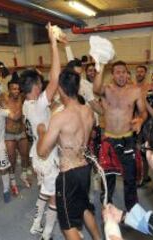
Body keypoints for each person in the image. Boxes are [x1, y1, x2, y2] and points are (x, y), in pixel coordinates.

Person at [37, 68, 101, 240]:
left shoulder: (60, 117)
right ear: (77, 87)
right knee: (84, 207)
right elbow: (75, 137)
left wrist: (41, 132)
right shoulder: (88, 111)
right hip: (84, 169)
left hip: (69, 173)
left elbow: (42, 152)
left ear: (61, 89)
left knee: (67, 224)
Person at [21, 23, 62, 240]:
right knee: (53, 196)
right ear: (36, 87)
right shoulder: (36, 104)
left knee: (45, 192)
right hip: (46, 156)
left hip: (36, 156)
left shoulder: (26, 105)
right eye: (40, 84)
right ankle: (46, 234)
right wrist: (53, 42)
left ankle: (36, 225)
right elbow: (55, 78)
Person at [93, 61, 147, 211]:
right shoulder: (106, 89)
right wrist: (101, 66)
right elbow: (96, 88)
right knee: (107, 179)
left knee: (130, 179)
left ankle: (132, 212)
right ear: (112, 74)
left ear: (127, 73)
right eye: (118, 72)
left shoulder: (135, 91)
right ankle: (107, 209)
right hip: (109, 139)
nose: (121, 75)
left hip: (127, 139)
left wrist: (141, 120)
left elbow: (143, 111)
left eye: (124, 72)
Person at [0, 78, 32, 196]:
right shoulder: (3, 98)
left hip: (21, 132)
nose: (16, 91)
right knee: (11, 160)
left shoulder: (22, 97)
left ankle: (23, 175)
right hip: (9, 134)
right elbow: (13, 116)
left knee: (25, 156)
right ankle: (12, 182)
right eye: (13, 88)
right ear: (9, 89)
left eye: (18, 88)